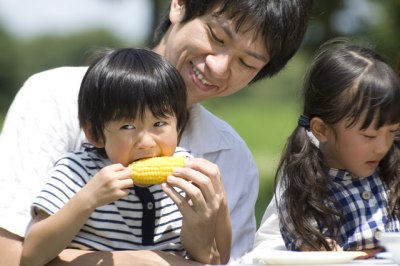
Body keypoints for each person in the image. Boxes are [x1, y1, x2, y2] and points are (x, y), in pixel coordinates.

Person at [0, 0, 314, 265]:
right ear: (178, 5)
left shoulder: (230, 157)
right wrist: (132, 261)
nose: (219, 68)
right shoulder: (55, 98)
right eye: (217, 37)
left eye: (246, 62)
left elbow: (221, 258)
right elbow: (12, 256)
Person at [20, 47, 232, 266]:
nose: (147, 142)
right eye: (128, 126)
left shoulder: (188, 175)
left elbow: (220, 257)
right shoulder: (78, 172)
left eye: (159, 124)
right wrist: (88, 199)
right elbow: (31, 256)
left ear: (179, 126)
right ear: (94, 133)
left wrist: (218, 200)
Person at [275, 39, 400, 252]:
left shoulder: (392, 173)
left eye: (392, 131)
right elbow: (318, 255)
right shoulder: (308, 193)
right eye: (369, 135)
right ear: (321, 130)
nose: (382, 147)